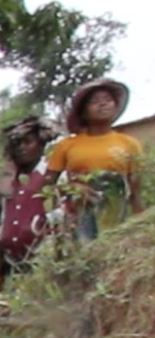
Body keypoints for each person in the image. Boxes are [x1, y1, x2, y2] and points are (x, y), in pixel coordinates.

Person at [48, 77, 143, 238]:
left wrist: (141, 225)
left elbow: (135, 192)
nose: (103, 104)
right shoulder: (66, 145)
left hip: (116, 218)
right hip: (77, 218)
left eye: (108, 100)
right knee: (83, 257)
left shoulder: (129, 144)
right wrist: (72, 189)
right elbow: (46, 186)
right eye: (94, 101)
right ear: (84, 112)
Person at [0, 116, 57, 276]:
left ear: (41, 144)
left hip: (43, 260)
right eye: (17, 144)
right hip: (11, 262)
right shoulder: (9, 180)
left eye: (27, 142)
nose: (21, 148)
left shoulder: (52, 175)